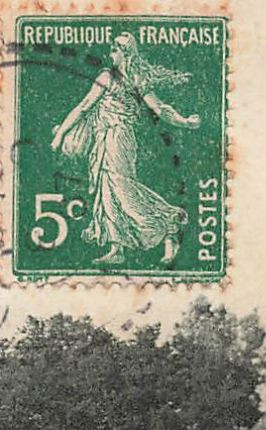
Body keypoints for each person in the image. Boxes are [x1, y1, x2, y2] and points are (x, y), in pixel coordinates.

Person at [50, 34, 201, 266]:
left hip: (120, 138)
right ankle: (116, 248)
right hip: (103, 139)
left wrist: (185, 122)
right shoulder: (107, 76)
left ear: (126, 52)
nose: (111, 53)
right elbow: (84, 107)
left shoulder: (134, 78)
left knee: (123, 190)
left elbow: (159, 108)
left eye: (115, 49)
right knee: (107, 190)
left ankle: (170, 225)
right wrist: (61, 134)